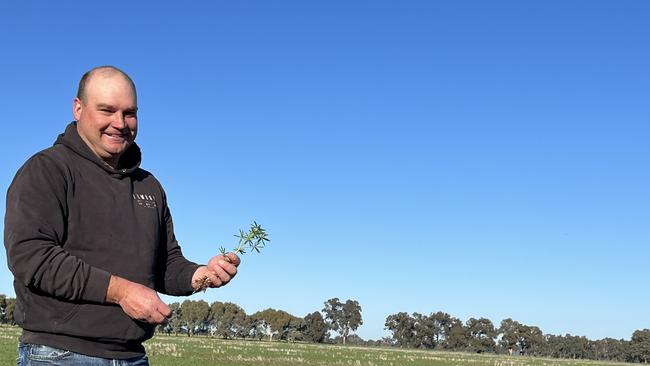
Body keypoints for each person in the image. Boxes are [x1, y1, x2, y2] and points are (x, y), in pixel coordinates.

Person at [4, 66, 240, 365]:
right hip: (60, 354)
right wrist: (122, 292)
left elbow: (165, 264)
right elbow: (32, 257)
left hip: (132, 357)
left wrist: (201, 276)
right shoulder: (47, 170)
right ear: (78, 108)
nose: (119, 123)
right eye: (107, 110)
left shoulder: (149, 185)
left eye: (129, 113)